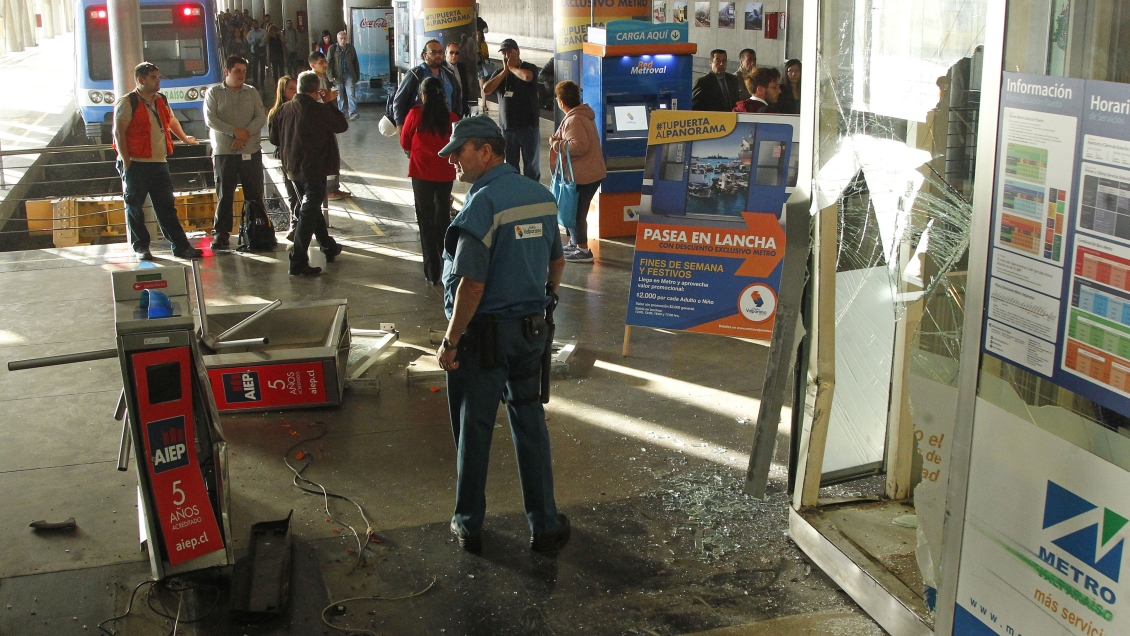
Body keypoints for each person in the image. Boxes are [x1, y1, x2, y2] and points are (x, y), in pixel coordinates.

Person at [435, 115, 569, 554]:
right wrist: (542, 301)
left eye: (460, 151)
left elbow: (471, 284)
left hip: (483, 342)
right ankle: (545, 524)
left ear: (487, 151)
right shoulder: (542, 195)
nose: (453, 160)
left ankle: (469, 525)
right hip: (530, 336)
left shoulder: (483, 205)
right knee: (530, 422)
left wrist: (452, 341)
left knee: (474, 429)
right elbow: (557, 262)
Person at [113, 62, 203, 260]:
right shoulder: (127, 102)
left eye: (158, 77)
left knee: (166, 207)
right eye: (154, 78)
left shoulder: (161, 99)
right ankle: (141, 247)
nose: (158, 81)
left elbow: (170, 120)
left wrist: (184, 138)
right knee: (135, 207)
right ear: (140, 80)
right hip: (136, 163)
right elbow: (118, 132)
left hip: (158, 162)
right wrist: (126, 161)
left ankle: (180, 246)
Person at [269, 71, 347, 276]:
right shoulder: (319, 109)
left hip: (292, 169)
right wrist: (329, 102)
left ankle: (328, 246)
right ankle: (297, 259)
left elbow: (274, 139)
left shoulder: (283, 110)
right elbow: (341, 125)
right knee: (308, 211)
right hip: (314, 168)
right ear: (316, 89)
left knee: (311, 209)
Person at [204, 56, 268, 250]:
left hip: (250, 151)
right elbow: (210, 119)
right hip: (224, 153)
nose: (241, 75)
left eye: (244, 72)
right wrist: (233, 132)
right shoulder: (213, 92)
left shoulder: (251, 92)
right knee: (225, 194)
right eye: (237, 71)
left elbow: (260, 117)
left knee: (254, 193)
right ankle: (222, 233)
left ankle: (257, 231)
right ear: (227, 72)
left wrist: (243, 136)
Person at [400, 77, 460, 285]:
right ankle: (448, 267)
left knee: (425, 220)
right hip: (445, 174)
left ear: (423, 95)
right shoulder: (451, 117)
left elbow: (404, 141)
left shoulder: (415, 114)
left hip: (421, 173)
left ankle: (431, 272)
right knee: (443, 217)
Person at [549, 81, 605, 264]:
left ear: (562, 102)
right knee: (575, 210)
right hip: (590, 172)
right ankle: (575, 242)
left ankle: (582, 249)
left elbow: (580, 146)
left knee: (575, 213)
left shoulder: (574, 119)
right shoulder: (582, 116)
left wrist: (556, 144)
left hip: (583, 175)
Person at [482, 39, 541, 181]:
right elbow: (486, 89)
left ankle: (532, 194)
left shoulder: (529, 67)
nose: (507, 56)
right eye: (504, 53)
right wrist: (505, 71)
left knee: (531, 166)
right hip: (507, 129)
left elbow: (527, 77)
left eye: (510, 52)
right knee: (510, 166)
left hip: (528, 127)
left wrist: (513, 68)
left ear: (518, 51)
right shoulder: (500, 73)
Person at [307, 51, 350, 200]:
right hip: (320, 123)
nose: (325, 64)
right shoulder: (311, 80)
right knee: (327, 157)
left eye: (325, 61)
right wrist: (328, 98)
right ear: (312, 65)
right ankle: (328, 190)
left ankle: (334, 187)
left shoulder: (322, 78)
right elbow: (313, 102)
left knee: (333, 154)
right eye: (321, 62)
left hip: (327, 120)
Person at [392, 39, 462, 130]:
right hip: (423, 128)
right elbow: (399, 101)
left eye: (440, 52)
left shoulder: (449, 74)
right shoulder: (415, 74)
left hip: (447, 127)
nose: (438, 55)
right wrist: (400, 124)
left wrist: (458, 118)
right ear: (425, 56)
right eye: (433, 52)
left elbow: (457, 98)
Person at [267, 75, 300, 241]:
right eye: (291, 88)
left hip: (301, 156)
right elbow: (274, 138)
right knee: (292, 193)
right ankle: (295, 224)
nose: (295, 91)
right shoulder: (276, 112)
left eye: (296, 87)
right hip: (287, 158)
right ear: (283, 91)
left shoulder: (300, 108)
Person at [327, 30, 361, 121]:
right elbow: (329, 63)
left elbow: (355, 62)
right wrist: (330, 75)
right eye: (341, 38)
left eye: (344, 38)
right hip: (337, 75)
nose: (343, 40)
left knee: (351, 94)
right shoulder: (333, 49)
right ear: (337, 39)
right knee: (340, 96)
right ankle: (341, 112)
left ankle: (353, 113)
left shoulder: (351, 48)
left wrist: (357, 75)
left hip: (349, 74)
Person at [444, 42, 473, 117]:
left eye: (457, 53)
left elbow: (465, 87)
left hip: (461, 107)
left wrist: (466, 106)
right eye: (451, 52)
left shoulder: (461, 67)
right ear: (446, 52)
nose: (454, 55)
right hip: (447, 108)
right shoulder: (441, 68)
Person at [246, 20, 267, 87]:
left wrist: (261, 43)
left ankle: (262, 81)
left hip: (262, 51)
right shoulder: (250, 33)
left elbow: (266, 39)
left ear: (258, 24)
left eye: (256, 24)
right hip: (254, 51)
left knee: (262, 67)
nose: (255, 25)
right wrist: (255, 41)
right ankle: (255, 81)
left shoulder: (263, 31)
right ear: (252, 25)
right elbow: (248, 41)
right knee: (255, 67)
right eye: (253, 24)